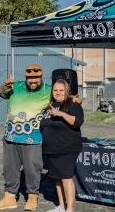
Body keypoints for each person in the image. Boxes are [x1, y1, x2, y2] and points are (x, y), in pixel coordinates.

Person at [0, 64, 51, 211]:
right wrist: (5, 85)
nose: (33, 81)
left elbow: (62, 98)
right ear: (25, 78)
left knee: (32, 168)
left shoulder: (48, 90)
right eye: (30, 78)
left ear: (41, 77)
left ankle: (32, 197)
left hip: (33, 138)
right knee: (10, 168)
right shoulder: (15, 86)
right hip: (11, 137)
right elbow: (0, 93)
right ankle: (9, 198)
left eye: (36, 78)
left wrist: (74, 100)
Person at [41, 79, 84, 212]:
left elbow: (76, 122)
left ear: (66, 92)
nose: (58, 92)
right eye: (55, 90)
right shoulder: (49, 107)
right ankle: (61, 206)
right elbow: (43, 126)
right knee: (57, 178)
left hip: (67, 148)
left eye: (61, 90)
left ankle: (69, 209)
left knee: (65, 177)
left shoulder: (73, 105)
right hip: (51, 149)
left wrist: (61, 114)